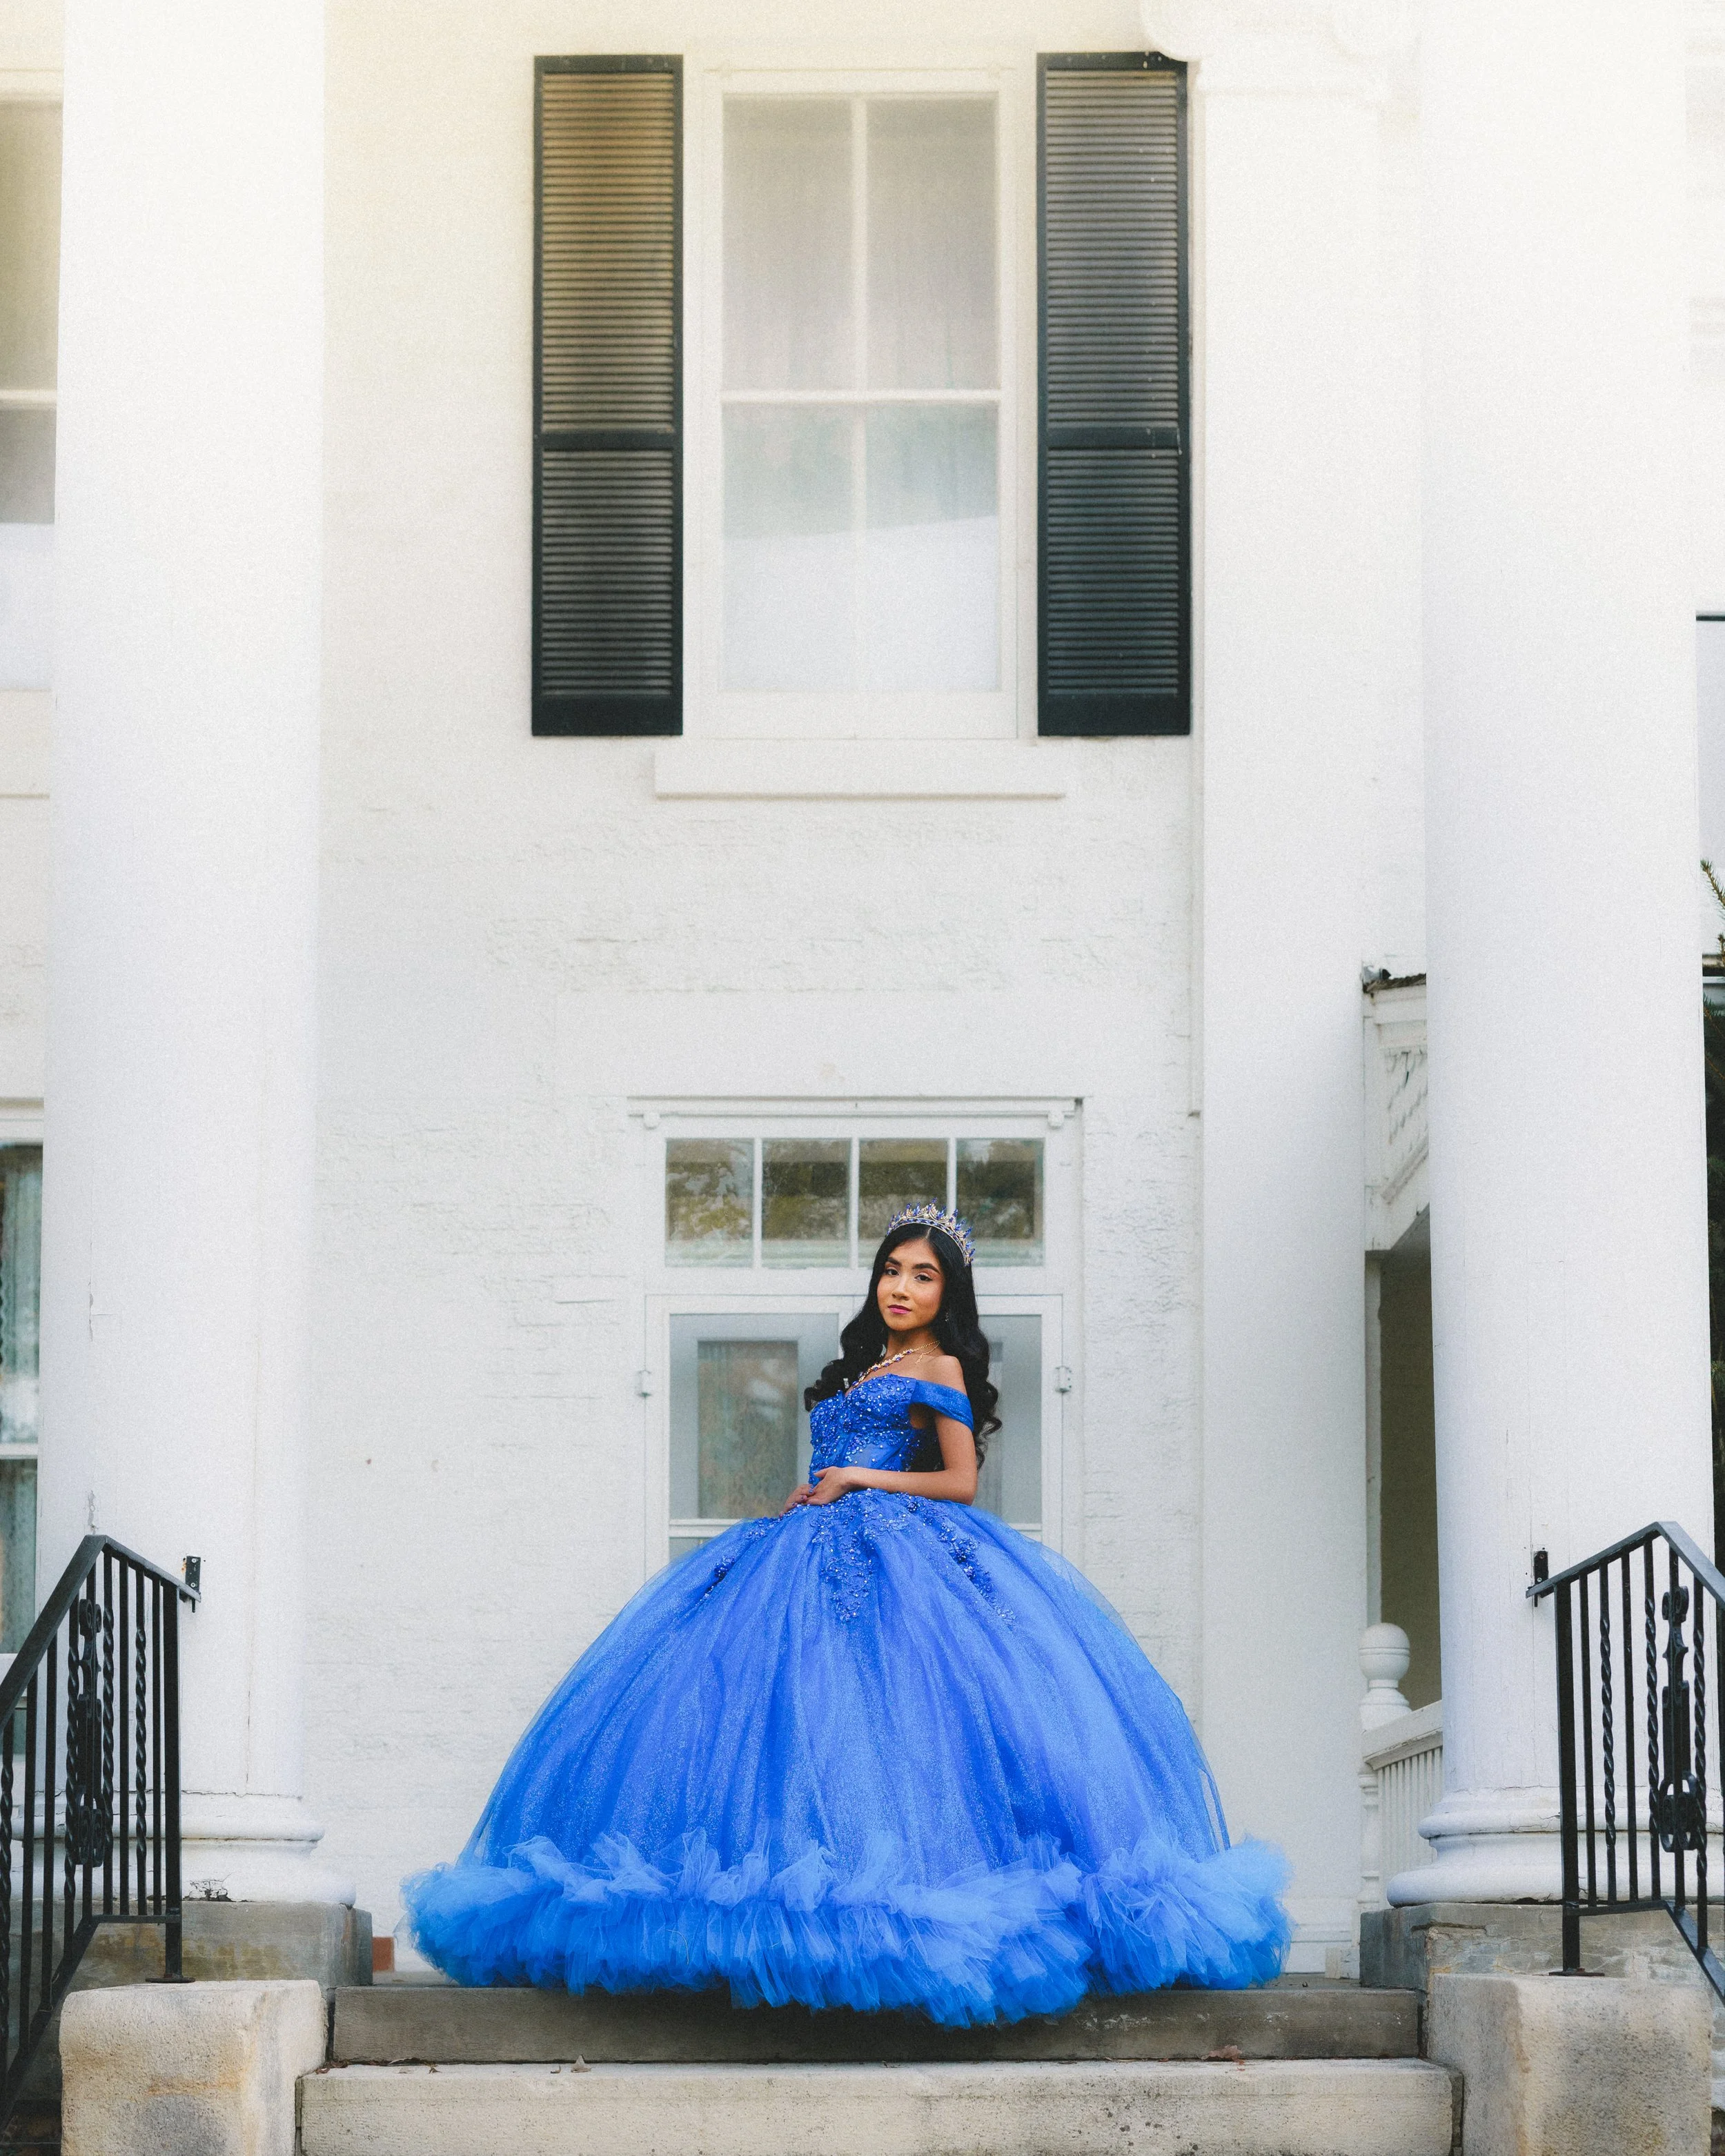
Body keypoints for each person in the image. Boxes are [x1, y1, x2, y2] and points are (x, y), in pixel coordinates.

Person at [403, 1206, 1290, 2024]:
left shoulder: (939, 1366)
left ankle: (900, 1915)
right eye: (892, 1269)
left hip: (897, 1554)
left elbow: (960, 1481)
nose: (901, 1286)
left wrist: (862, 1476)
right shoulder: (867, 1367)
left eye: (924, 1275)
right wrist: (821, 1486)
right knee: (776, 1724)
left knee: (898, 1723)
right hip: (802, 1547)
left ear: (950, 1293)